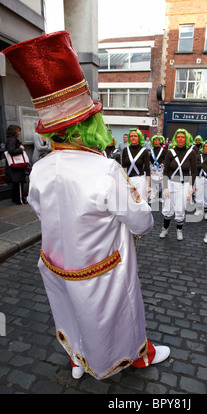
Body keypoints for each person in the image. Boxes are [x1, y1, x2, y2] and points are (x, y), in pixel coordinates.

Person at [2, 31, 170, 381]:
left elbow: (39, 208)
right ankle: (136, 356)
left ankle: (79, 359)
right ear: (91, 123)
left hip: (56, 261)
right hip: (101, 266)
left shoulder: (42, 167)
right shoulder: (105, 169)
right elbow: (141, 223)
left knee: (70, 312)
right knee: (115, 317)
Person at [159, 128, 196, 241]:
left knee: (180, 209)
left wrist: (191, 185)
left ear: (186, 139)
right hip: (170, 183)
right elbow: (166, 170)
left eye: (183, 137)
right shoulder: (171, 152)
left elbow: (194, 171)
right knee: (168, 207)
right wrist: (165, 186)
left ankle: (179, 230)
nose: (180, 139)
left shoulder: (191, 152)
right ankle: (165, 229)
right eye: (178, 137)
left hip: (183, 185)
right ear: (175, 138)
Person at [122, 128, 151, 202]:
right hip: (128, 180)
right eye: (131, 136)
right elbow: (123, 167)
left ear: (139, 138)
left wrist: (147, 186)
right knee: (127, 202)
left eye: (135, 136)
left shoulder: (144, 151)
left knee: (140, 201)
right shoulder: (125, 150)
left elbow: (147, 169)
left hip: (139, 180)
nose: (133, 138)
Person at [5, 124, 28, 204]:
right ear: (14, 131)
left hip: (14, 165)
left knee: (16, 183)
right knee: (19, 183)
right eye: (18, 131)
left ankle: (15, 199)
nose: (19, 132)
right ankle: (20, 200)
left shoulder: (10, 139)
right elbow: (11, 151)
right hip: (17, 165)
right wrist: (21, 149)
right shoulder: (13, 140)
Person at [194, 140, 207, 218]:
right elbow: (195, 166)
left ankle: (206, 211)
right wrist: (203, 166)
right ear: (203, 147)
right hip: (199, 177)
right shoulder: (198, 156)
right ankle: (198, 210)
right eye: (206, 146)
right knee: (198, 195)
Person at [149, 135, 167, 203]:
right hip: (153, 169)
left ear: (159, 141)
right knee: (153, 183)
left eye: (157, 140)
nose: (156, 141)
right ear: (153, 141)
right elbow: (150, 159)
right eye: (154, 140)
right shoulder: (151, 150)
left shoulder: (163, 150)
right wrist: (149, 162)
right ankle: (154, 198)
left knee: (161, 184)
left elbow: (166, 159)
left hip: (160, 168)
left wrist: (163, 163)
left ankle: (161, 197)